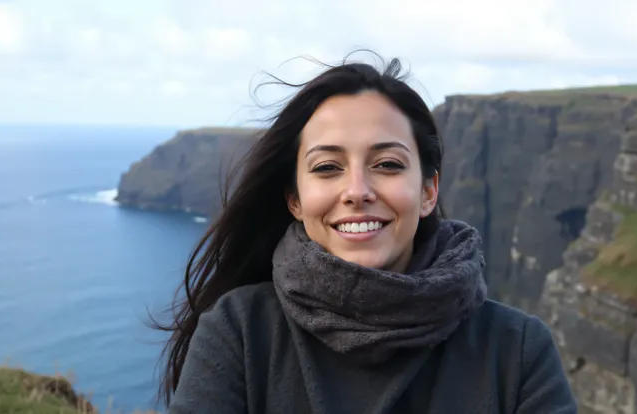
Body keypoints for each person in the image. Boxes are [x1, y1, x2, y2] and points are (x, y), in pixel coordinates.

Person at [156, 53, 578, 413]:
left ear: (429, 190)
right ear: (295, 199)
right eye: (327, 168)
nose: (357, 191)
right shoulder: (240, 331)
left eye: (388, 165)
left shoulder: (517, 350)